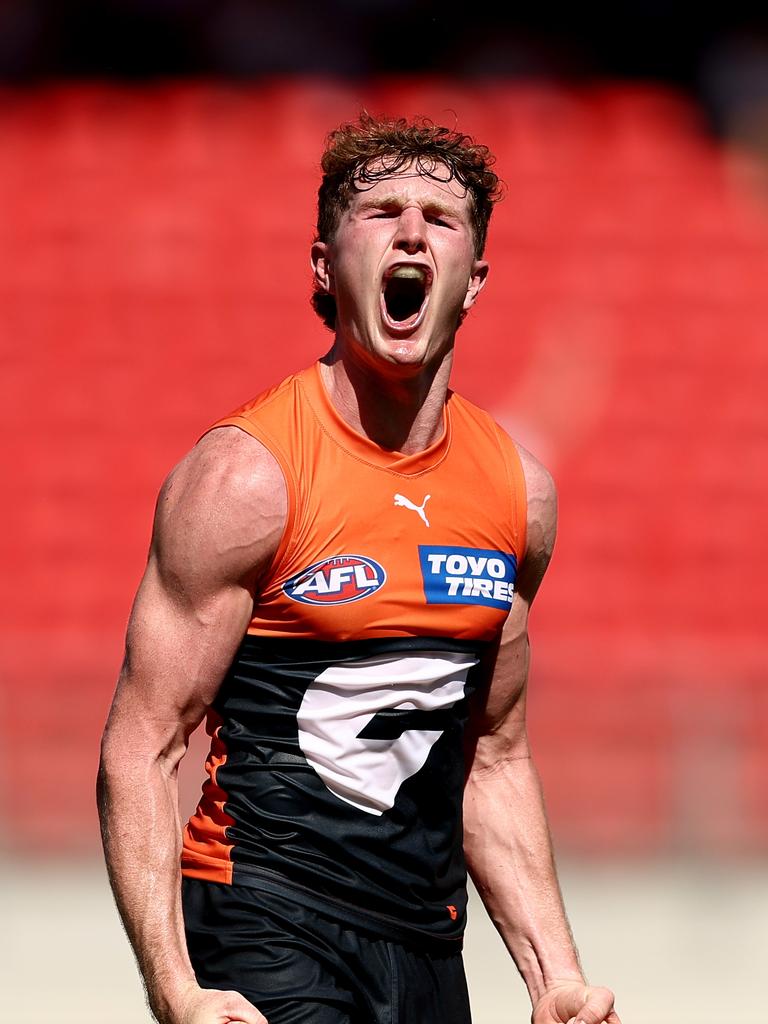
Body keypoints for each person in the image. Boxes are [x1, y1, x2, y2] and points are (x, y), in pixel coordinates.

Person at [98, 113, 621, 1024]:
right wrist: (176, 991)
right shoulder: (246, 477)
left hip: (426, 940)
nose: (412, 231)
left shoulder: (516, 494)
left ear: (475, 283)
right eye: (380, 211)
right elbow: (142, 743)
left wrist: (556, 978)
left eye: (441, 217)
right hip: (266, 915)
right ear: (323, 264)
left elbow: (492, 758)